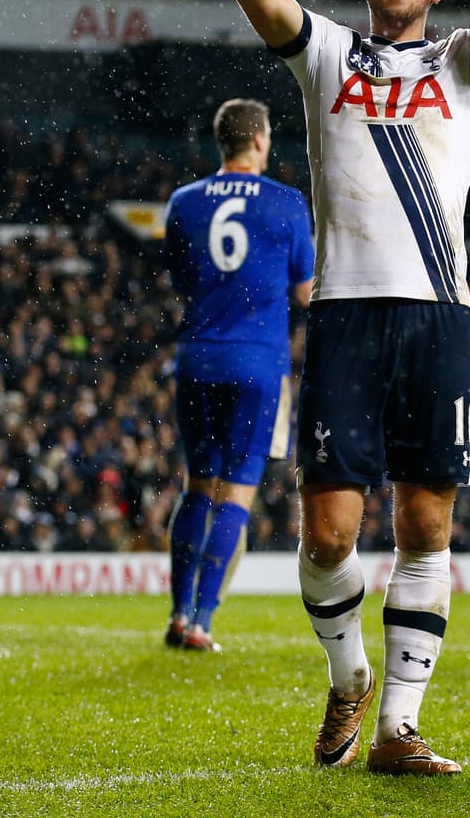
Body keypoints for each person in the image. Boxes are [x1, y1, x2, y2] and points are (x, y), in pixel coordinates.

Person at [225, 0, 470, 774]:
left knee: (424, 523)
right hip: (345, 315)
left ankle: (398, 729)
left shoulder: (465, 64)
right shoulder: (326, 53)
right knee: (330, 534)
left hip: (438, 315)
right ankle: (349, 675)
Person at [163, 98, 315, 653]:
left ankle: (179, 613)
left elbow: (184, 280)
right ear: (257, 140)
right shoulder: (286, 204)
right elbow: (304, 292)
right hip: (257, 362)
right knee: (238, 492)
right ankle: (203, 620)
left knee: (198, 484)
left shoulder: (184, 202)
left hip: (197, 358)